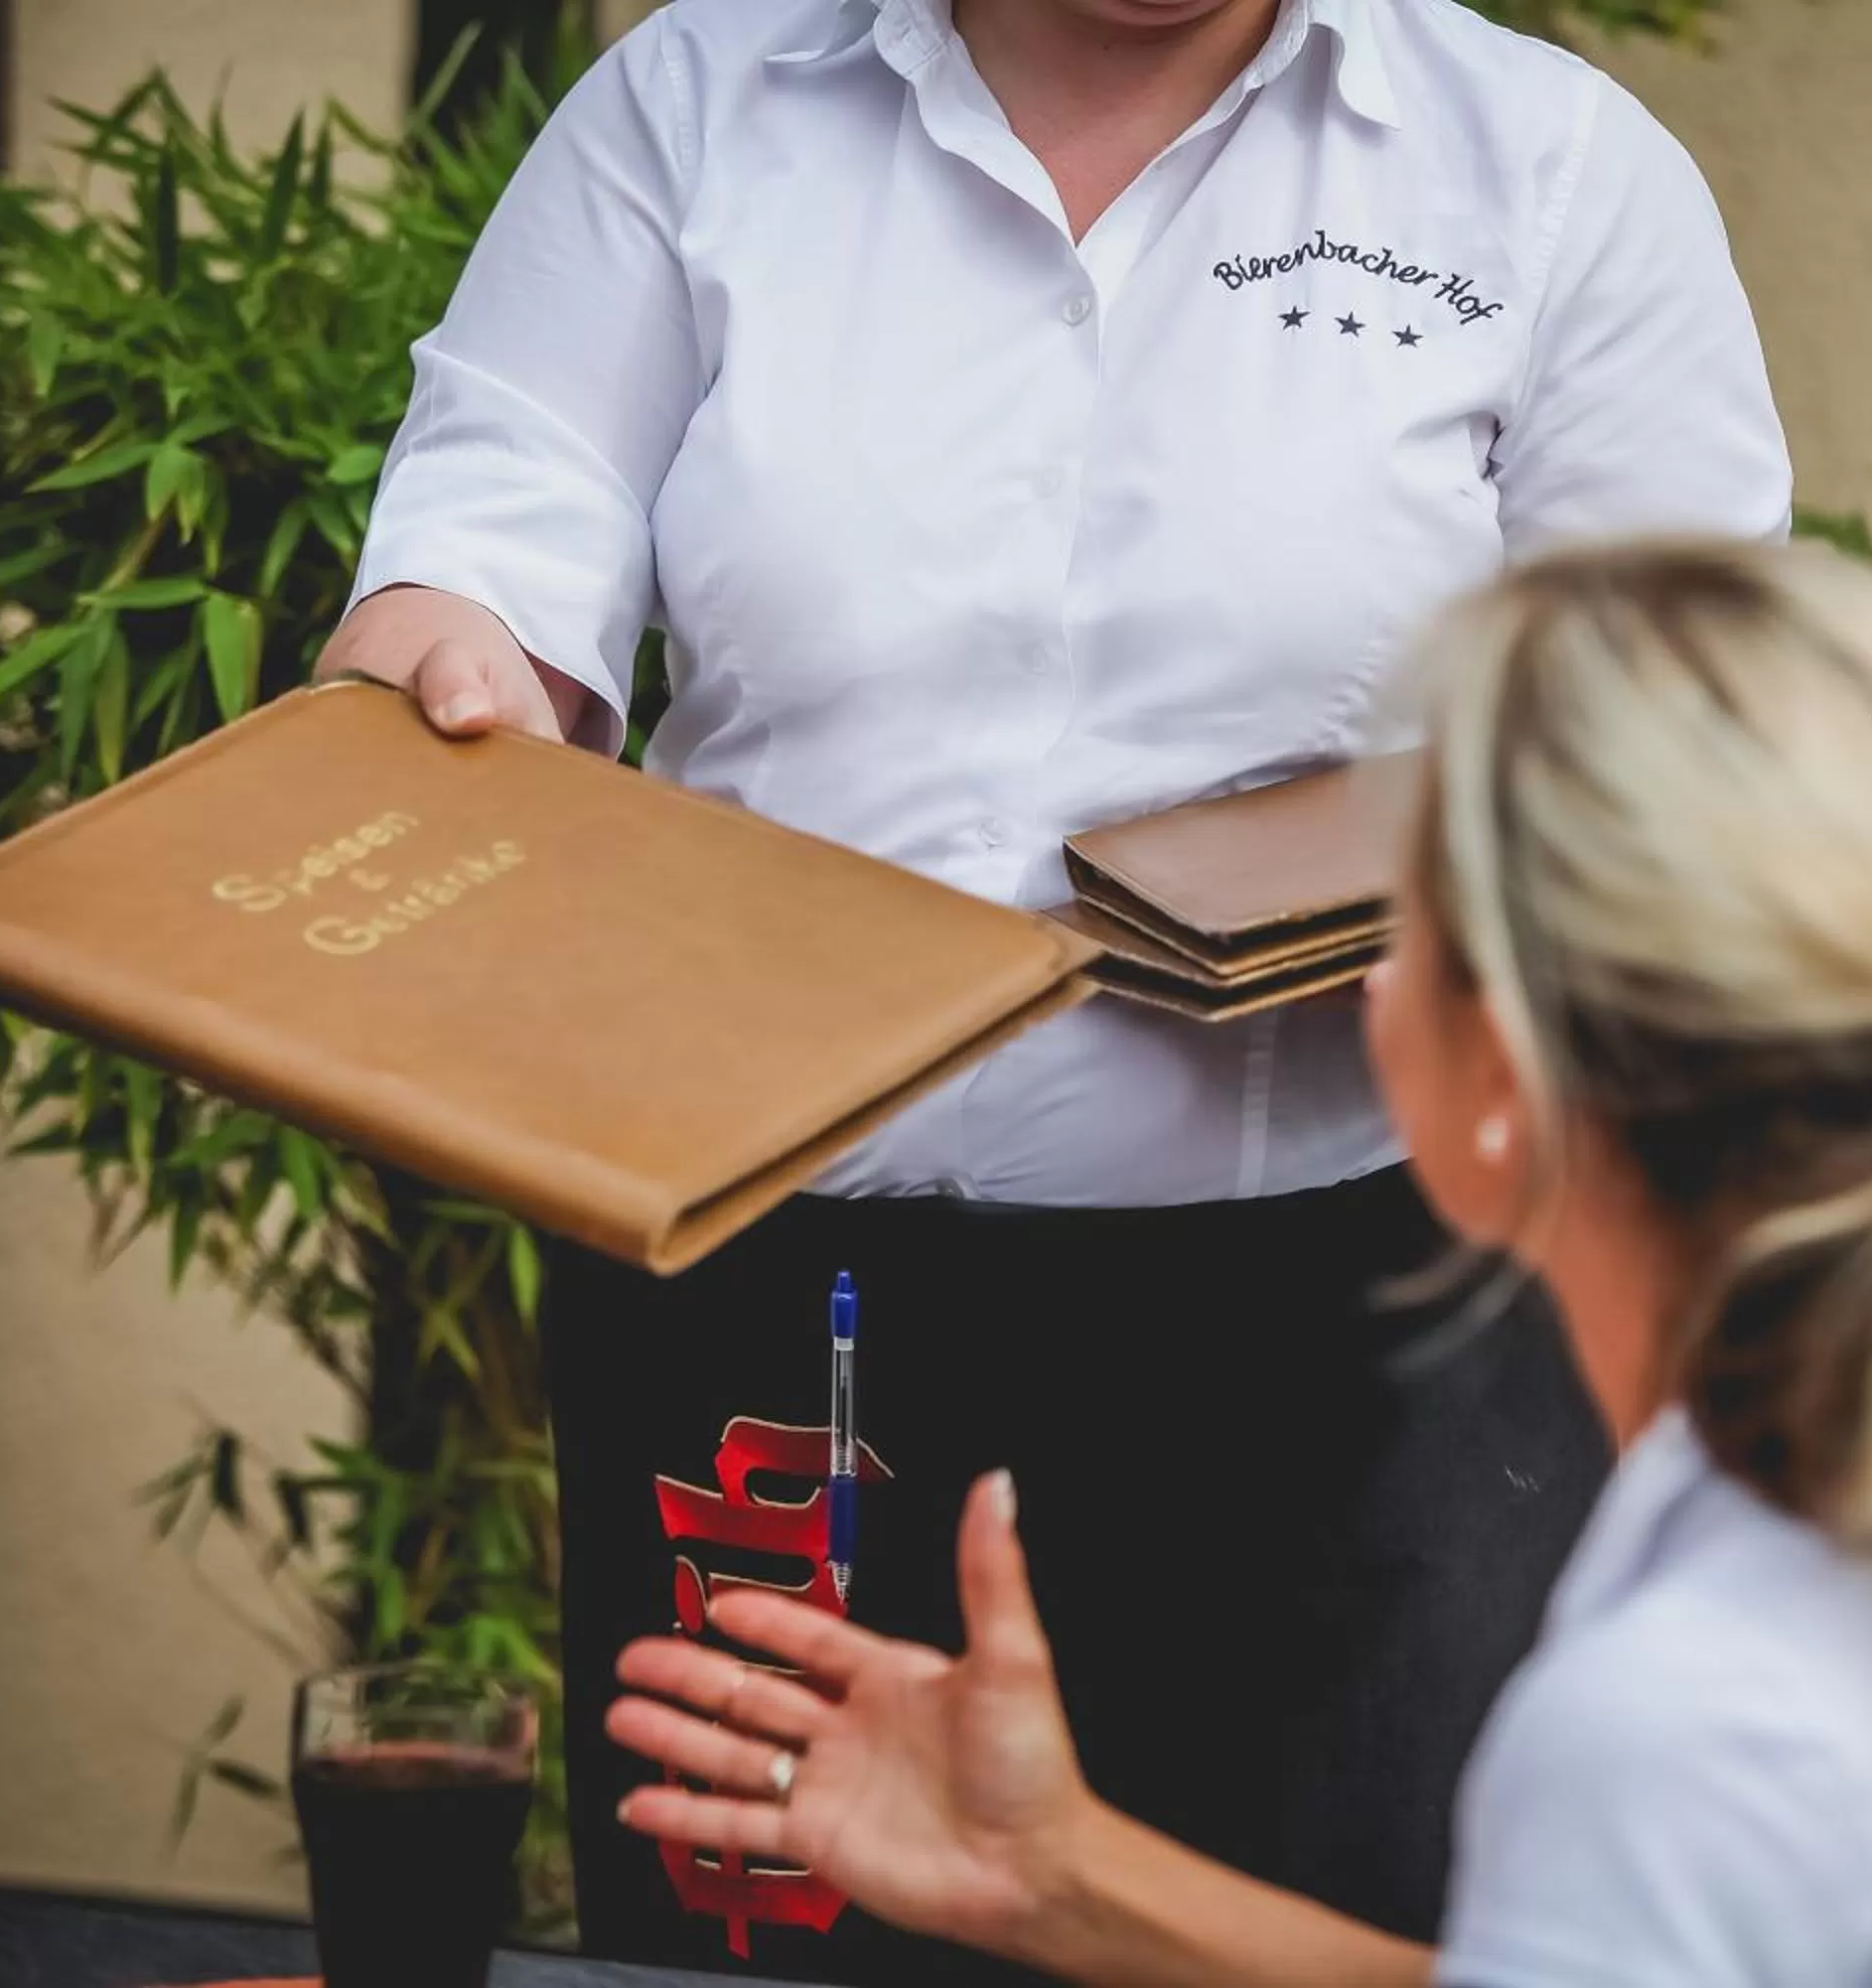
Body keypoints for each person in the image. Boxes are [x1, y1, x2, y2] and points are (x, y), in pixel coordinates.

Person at [319, 0, 1788, 1971]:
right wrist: (452, 677)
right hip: (763, 1305)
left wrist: (1539, 897)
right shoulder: (697, 98)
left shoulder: (1549, 168)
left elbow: (1686, 725)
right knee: (748, 1939)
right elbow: (499, 523)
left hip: (1352, 1337)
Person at [596, 538, 1872, 1987]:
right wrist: (1063, 1877)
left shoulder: (1689, 1724)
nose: (1370, 963)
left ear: (1500, 1093)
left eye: (1410, 902)